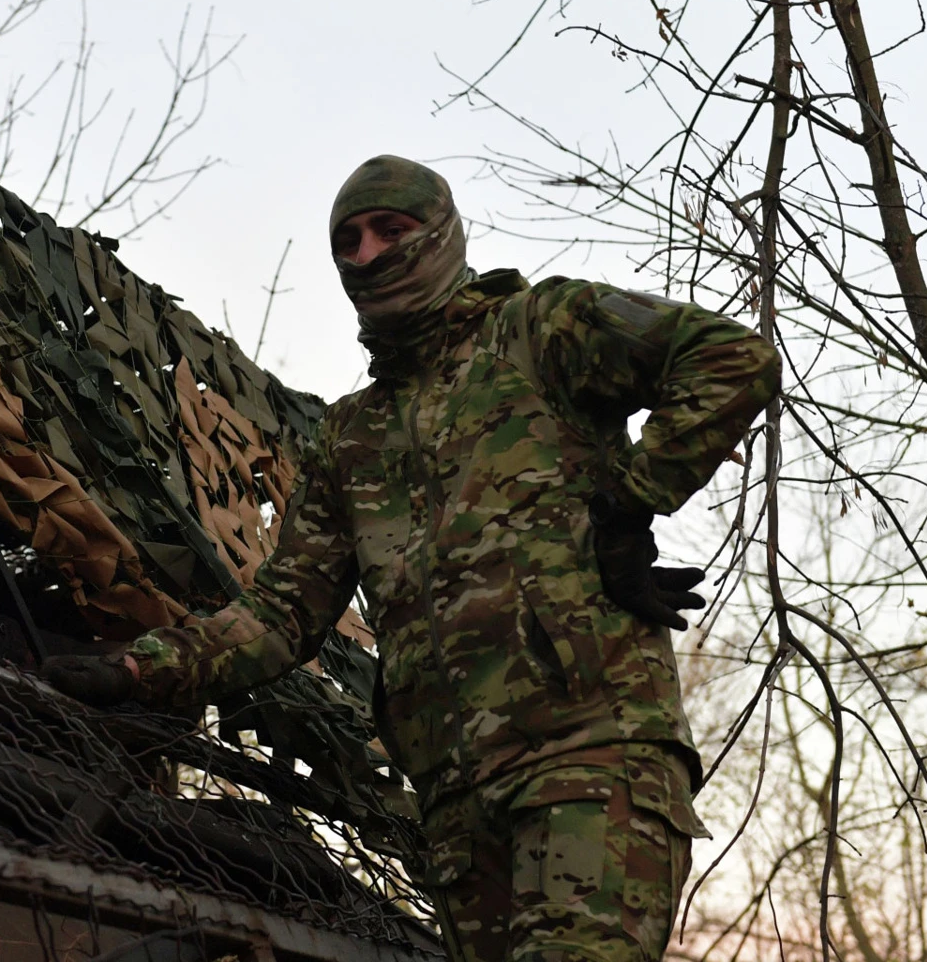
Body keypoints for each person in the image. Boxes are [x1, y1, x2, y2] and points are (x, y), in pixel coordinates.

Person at [43, 155, 780, 961]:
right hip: (457, 808)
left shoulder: (540, 330)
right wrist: (141, 669)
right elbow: (282, 614)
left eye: (391, 230)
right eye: (348, 243)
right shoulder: (350, 435)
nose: (370, 255)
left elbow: (728, 358)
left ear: (441, 231)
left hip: (589, 752)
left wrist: (629, 505)